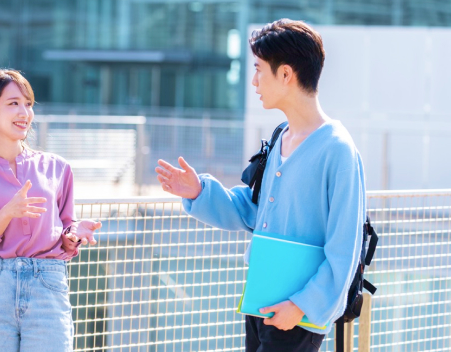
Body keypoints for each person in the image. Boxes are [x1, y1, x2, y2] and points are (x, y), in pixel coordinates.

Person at [156, 19, 365, 352]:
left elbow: (344, 248)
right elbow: (253, 212)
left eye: (258, 70)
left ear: (285, 74)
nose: (253, 81)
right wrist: (198, 192)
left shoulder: (338, 150)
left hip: (296, 313)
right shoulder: (281, 136)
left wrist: (301, 306)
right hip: (260, 302)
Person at [0, 69, 102, 352]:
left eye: (28, 104)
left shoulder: (58, 168)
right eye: (13, 103)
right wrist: (5, 215)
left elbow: (64, 236)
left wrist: (73, 234)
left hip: (48, 289)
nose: (24, 112)